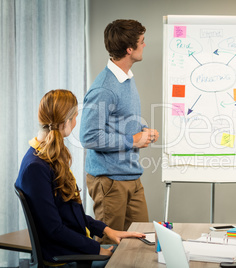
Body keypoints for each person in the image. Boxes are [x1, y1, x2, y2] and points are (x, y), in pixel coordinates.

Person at [15, 90, 145, 267]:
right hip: (64, 256)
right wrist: (96, 249)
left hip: (73, 249)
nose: (76, 123)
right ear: (66, 122)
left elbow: (70, 214)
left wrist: (107, 230)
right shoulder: (35, 167)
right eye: (75, 117)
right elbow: (54, 229)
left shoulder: (47, 157)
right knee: (131, 262)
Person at [79, 19, 159, 244]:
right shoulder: (104, 87)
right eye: (142, 42)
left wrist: (142, 131)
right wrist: (132, 139)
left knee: (141, 243)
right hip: (109, 181)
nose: (145, 45)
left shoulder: (126, 79)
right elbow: (88, 136)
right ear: (129, 49)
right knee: (110, 249)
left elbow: (118, 122)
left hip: (131, 176)